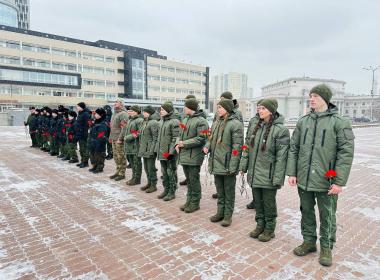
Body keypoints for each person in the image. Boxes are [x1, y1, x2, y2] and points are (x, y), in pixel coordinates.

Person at [287, 84, 355, 267]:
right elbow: (294, 148)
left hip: (327, 180)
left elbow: (346, 152)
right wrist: (292, 172)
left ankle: (326, 247)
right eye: (311, 95)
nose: (312, 99)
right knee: (306, 211)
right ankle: (309, 242)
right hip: (304, 179)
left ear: (325, 98)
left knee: (327, 215)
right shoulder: (303, 121)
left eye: (315, 95)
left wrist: (339, 181)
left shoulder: (340, 122)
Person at [240, 98, 290, 242]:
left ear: (271, 110)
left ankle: (269, 229)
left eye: (263, 108)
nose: (260, 110)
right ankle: (260, 225)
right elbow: (248, 149)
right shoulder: (257, 127)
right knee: (258, 203)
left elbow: (282, 157)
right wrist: (244, 166)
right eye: (259, 108)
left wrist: (277, 178)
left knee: (268, 204)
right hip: (255, 173)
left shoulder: (281, 130)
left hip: (269, 175)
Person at [203, 99, 243, 227]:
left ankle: (227, 216)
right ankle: (220, 212)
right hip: (216, 162)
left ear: (227, 108)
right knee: (220, 191)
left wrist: (233, 165)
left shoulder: (235, 124)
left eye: (220, 107)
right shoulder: (216, 123)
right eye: (217, 107)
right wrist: (207, 146)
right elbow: (211, 138)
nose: (218, 109)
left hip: (227, 165)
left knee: (228, 191)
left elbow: (237, 148)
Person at [175, 98, 209, 213]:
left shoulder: (201, 121)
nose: (184, 108)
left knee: (193, 180)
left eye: (185, 106)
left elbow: (202, 138)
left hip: (195, 155)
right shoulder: (185, 120)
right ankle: (189, 200)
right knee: (189, 180)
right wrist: (177, 143)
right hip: (185, 154)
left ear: (190, 108)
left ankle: (195, 202)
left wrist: (184, 143)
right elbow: (180, 134)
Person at [211, 91, 244, 199]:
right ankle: (221, 206)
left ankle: (227, 212)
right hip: (219, 154)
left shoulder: (236, 116)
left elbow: (237, 143)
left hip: (228, 153)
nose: (221, 101)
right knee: (220, 185)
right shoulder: (218, 116)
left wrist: (233, 164)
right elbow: (213, 132)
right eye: (220, 99)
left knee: (228, 188)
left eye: (223, 99)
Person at [156, 102, 180, 201]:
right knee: (164, 172)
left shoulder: (174, 122)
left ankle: (172, 191)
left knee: (171, 172)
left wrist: (171, 153)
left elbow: (175, 138)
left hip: (169, 153)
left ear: (168, 111)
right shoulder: (161, 121)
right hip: (161, 151)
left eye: (163, 110)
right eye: (160, 109)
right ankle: (166, 189)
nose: (160, 111)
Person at [244, 99, 263, 210]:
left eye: (261, 106)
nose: (258, 108)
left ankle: (261, 201)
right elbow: (248, 137)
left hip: (262, 154)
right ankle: (255, 200)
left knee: (262, 180)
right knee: (252, 178)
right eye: (258, 106)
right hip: (252, 153)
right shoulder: (253, 120)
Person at [138, 106, 159, 193]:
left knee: (151, 168)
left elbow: (155, 137)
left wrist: (152, 150)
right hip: (144, 148)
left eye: (145, 112)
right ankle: (149, 183)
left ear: (150, 113)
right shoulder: (144, 121)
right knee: (146, 167)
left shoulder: (153, 122)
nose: (143, 113)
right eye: (143, 111)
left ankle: (153, 185)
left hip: (150, 148)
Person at [109, 99, 129, 181]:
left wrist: (120, 138)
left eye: (117, 102)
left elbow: (124, 128)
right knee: (115, 156)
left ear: (121, 104)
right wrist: (110, 137)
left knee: (121, 156)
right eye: (115, 102)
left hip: (119, 139)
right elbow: (112, 127)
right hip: (113, 137)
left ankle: (122, 173)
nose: (115, 103)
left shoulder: (123, 114)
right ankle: (118, 171)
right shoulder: (114, 113)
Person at [123, 105, 144, 186]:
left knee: (137, 163)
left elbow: (139, 132)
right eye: (130, 111)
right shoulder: (130, 120)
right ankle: (133, 177)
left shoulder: (139, 120)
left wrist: (129, 137)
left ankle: (137, 179)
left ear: (137, 112)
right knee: (132, 162)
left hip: (136, 145)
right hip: (129, 145)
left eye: (132, 111)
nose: (130, 112)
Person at [88, 108, 108, 173]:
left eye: (96, 114)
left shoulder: (103, 123)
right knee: (93, 155)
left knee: (99, 156)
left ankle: (99, 168)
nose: (95, 115)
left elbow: (101, 135)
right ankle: (95, 166)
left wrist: (98, 143)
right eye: (95, 114)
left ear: (101, 115)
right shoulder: (96, 122)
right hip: (93, 142)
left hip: (99, 143)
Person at [75, 102, 90, 168]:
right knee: (81, 149)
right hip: (79, 133)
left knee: (84, 149)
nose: (77, 108)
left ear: (81, 107)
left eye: (78, 106)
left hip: (84, 134)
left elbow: (87, 125)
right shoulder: (80, 113)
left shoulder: (85, 114)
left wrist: (83, 132)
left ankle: (85, 162)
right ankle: (82, 161)